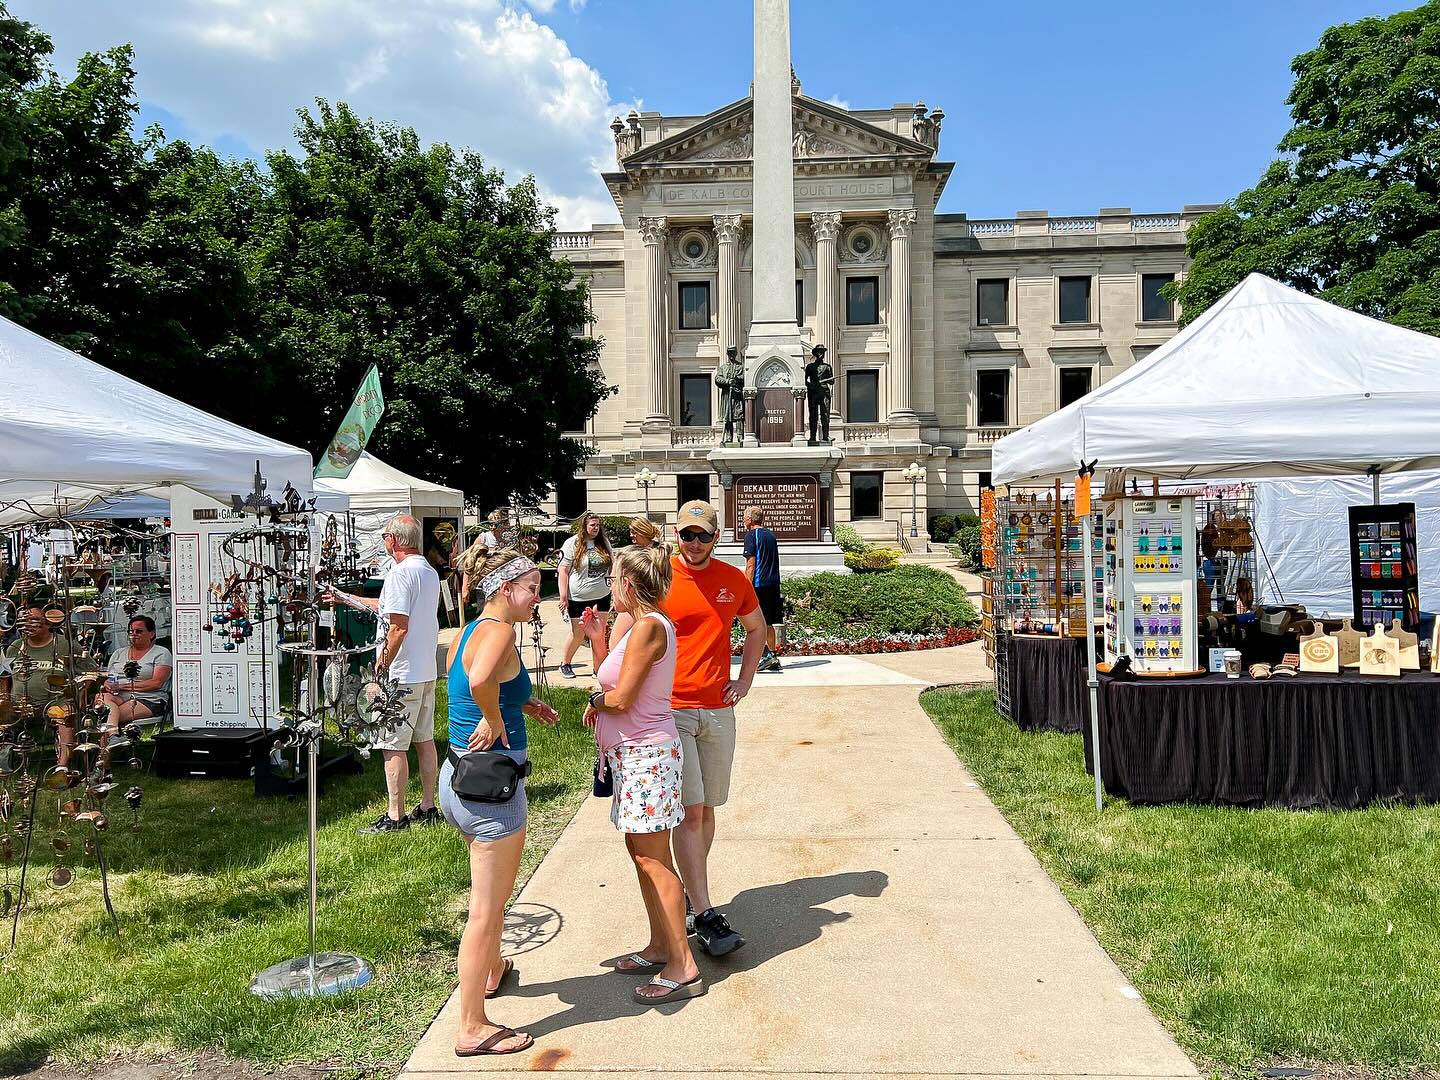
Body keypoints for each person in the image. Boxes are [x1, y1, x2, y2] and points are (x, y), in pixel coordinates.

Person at [443, 546, 558, 1056]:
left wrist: (519, 702)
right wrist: (494, 720)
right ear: (506, 589)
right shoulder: (501, 631)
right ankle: (472, 1026)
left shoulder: (470, 629)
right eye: (532, 588)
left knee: (489, 902)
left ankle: (492, 969)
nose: (539, 597)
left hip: (458, 779)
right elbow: (477, 681)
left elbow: (468, 682)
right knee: (487, 912)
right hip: (491, 789)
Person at [581, 546, 701, 1004]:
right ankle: (659, 945)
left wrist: (594, 704)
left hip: (647, 756)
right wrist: (596, 638)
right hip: (632, 757)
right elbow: (609, 679)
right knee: (641, 853)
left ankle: (682, 963)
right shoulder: (637, 627)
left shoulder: (651, 626)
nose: (609, 586)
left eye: (613, 579)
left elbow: (621, 698)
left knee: (655, 859)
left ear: (628, 586)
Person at [660, 500, 766, 955]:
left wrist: (744, 679)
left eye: (703, 535)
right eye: (688, 535)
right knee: (691, 811)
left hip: (717, 709)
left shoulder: (732, 579)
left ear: (716, 535)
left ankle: (690, 892)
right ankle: (703, 912)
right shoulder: (658, 574)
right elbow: (625, 627)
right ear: (676, 535)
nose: (695, 543)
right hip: (672, 708)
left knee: (708, 808)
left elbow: (757, 629)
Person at [324, 514, 442, 833]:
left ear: (394, 540)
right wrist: (345, 598)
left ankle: (395, 816)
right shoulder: (427, 572)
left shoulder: (400, 574)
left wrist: (380, 667)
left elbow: (398, 627)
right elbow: (387, 607)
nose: (384, 540)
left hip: (400, 675)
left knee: (392, 745)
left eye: (385, 535)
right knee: (424, 740)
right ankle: (429, 806)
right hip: (425, 670)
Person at [557, 511, 613, 679]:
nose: (596, 528)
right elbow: (563, 570)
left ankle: (598, 668)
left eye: (598, 525)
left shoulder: (603, 542)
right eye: (592, 525)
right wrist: (563, 596)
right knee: (579, 632)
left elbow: (613, 564)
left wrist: (614, 586)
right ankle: (565, 663)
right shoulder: (572, 543)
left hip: (602, 593)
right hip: (579, 595)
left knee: (599, 632)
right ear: (584, 526)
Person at [94, 614, 173, 733]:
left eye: (139, 631)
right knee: (102, 698)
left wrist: (121, 686)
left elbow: (156, 683)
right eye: (131, 631)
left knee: (107, 716)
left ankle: (110, 744)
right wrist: (108, 684)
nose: (134, 634)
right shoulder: (118, 653)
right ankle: (114, 740)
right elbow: (111, 677)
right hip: (118, 696)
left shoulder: (161, 653)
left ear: (151, 634)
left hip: (148, 698)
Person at [743, 507, 784, 673]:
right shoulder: (770, 535)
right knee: (768, 623)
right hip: (773, 585)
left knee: (753, 624)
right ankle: (772, 655)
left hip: (759, 586)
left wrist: (745, 587)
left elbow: (751, 565)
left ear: (751, 520)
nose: (743, 521)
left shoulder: (752, 536)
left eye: (745, 518)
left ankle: (767, 655)